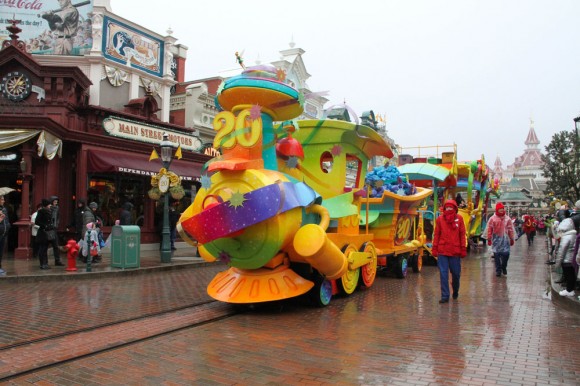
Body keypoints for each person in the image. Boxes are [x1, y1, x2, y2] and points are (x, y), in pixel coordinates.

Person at [431, 199, 467, 304]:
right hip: (443, 251)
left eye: (451, 207)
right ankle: (445, 295)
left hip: (455, 252)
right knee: (443, 273)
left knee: (456, 274)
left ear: (455, 208)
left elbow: (462, 235)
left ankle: (455, 290)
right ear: (444, 208)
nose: (449, 209)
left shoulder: (459, 219)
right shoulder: (440, 220)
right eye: (447, 207)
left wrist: (463, 248)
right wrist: (434, 248)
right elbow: (436, 235)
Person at [486, 202, 516, 277]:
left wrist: (512, 238)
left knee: (506, 254)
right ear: (497, 210)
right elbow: (490, 229)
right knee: (497, 255)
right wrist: (489, 238)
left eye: (502, 209)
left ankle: (504, 267)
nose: (501, 210)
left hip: (505, 240)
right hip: (496, 239)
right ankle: (498, 270)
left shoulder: (507, 219)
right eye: (500, 209)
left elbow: (510, 229)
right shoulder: (492, 219)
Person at [555, 218, 577, 297]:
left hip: (567, 260)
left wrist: (557, 263)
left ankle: (569, 290)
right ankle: (571, 289)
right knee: (572, 275)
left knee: (568, 275)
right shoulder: (574, 235)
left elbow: (561, 251)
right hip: (572, 259)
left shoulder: (566, 237)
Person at [35, 198, 53, 270]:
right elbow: (37, 222)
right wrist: (44, 226)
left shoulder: (49, 211)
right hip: (42, 232)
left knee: (45, 248)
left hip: (47, 232)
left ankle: (45, 263)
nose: (50, 205)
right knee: (42, 248)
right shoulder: (41, 212)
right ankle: (42, 264)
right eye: (49, 204)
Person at [48, 196, 63, 266]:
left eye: (56, 202)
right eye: (54, 202)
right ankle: (44, 261)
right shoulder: (48, 208)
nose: (56, 203)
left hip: (54, 229)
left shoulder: (57, 208)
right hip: (48, 229)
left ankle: (57, 260)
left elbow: (58, 218)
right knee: (45, 246)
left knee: (56, 245)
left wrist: (56, 224)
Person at [0, 195, 11, 275]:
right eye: (2, 199)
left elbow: (6, 220)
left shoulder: (4, 209)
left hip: (4, 233)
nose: (3, 201)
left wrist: (8, 226)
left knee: (1, 251)